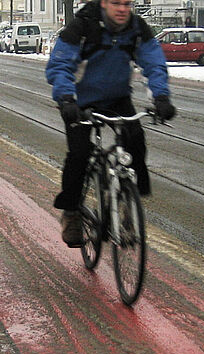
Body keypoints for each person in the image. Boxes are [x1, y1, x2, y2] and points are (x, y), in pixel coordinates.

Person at [46, 0, 175, 247]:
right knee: (79, 154)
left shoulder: (137, 28)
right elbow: (60, 65)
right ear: (104, 3)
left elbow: (154, 62)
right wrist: (65, 99)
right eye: (116, 3)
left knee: (135, 140)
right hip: (80, 101)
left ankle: (128, 200)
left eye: (127, 3)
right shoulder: (82, 26)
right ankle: (71, 212)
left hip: (117, 98)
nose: (122, 9)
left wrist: (161, 97)